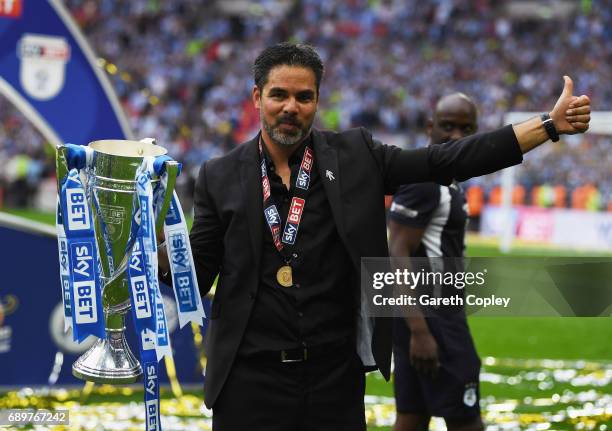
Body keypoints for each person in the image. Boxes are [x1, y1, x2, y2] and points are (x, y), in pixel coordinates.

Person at [158, 42, 590, 429]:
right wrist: (148, 252)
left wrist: (547, 126)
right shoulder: (219, 175)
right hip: (249, 382)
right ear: (257, 98)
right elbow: (196, 271)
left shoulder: (356, 156)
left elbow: (444, 161)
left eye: (303, 97)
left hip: (333, 381)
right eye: (279, 95)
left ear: (317, 102)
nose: (291, 106)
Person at [388, 93, 484, 431]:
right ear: (430, 128)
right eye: (447, 127)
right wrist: (420, 331)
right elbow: (396, 252)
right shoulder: (426, 180)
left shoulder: (450, 180)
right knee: (466, 419)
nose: (455, 136)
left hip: (421, 317)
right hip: (432, 318)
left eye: (465, 129)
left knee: (412, 417)